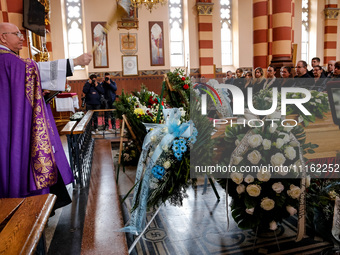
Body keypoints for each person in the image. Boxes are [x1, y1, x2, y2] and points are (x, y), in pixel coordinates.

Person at [0, 22, 92, 207]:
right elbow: (37, 71)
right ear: (3, 37)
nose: (21, 37)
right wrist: (75, 62)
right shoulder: (13, 63)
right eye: (17, 33)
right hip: (18, 127)